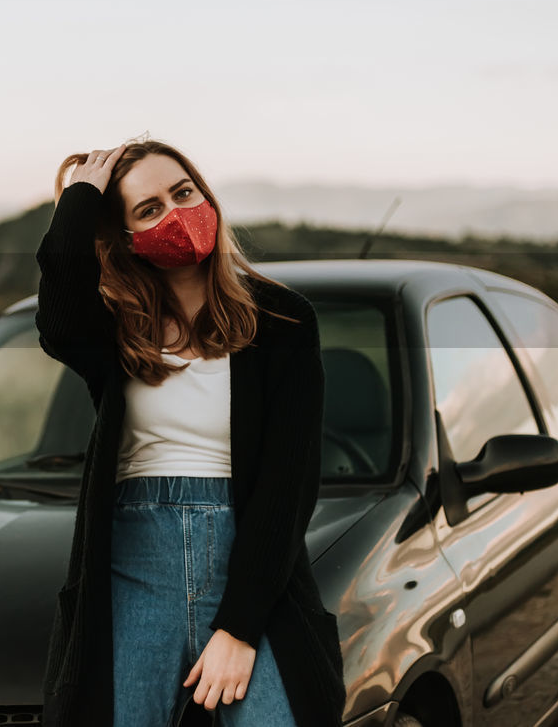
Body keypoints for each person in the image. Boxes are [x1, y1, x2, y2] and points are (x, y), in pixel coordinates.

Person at [34, 136, 347, 726]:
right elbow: (57, 317)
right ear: (125, 239)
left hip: (248, 559)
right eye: (149, 209)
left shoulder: (284, 321)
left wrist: (238, 627)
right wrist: (79, 198)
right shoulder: (113, 330)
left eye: (184, 192)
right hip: (132, 559)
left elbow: (288, 485)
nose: (177, 214)